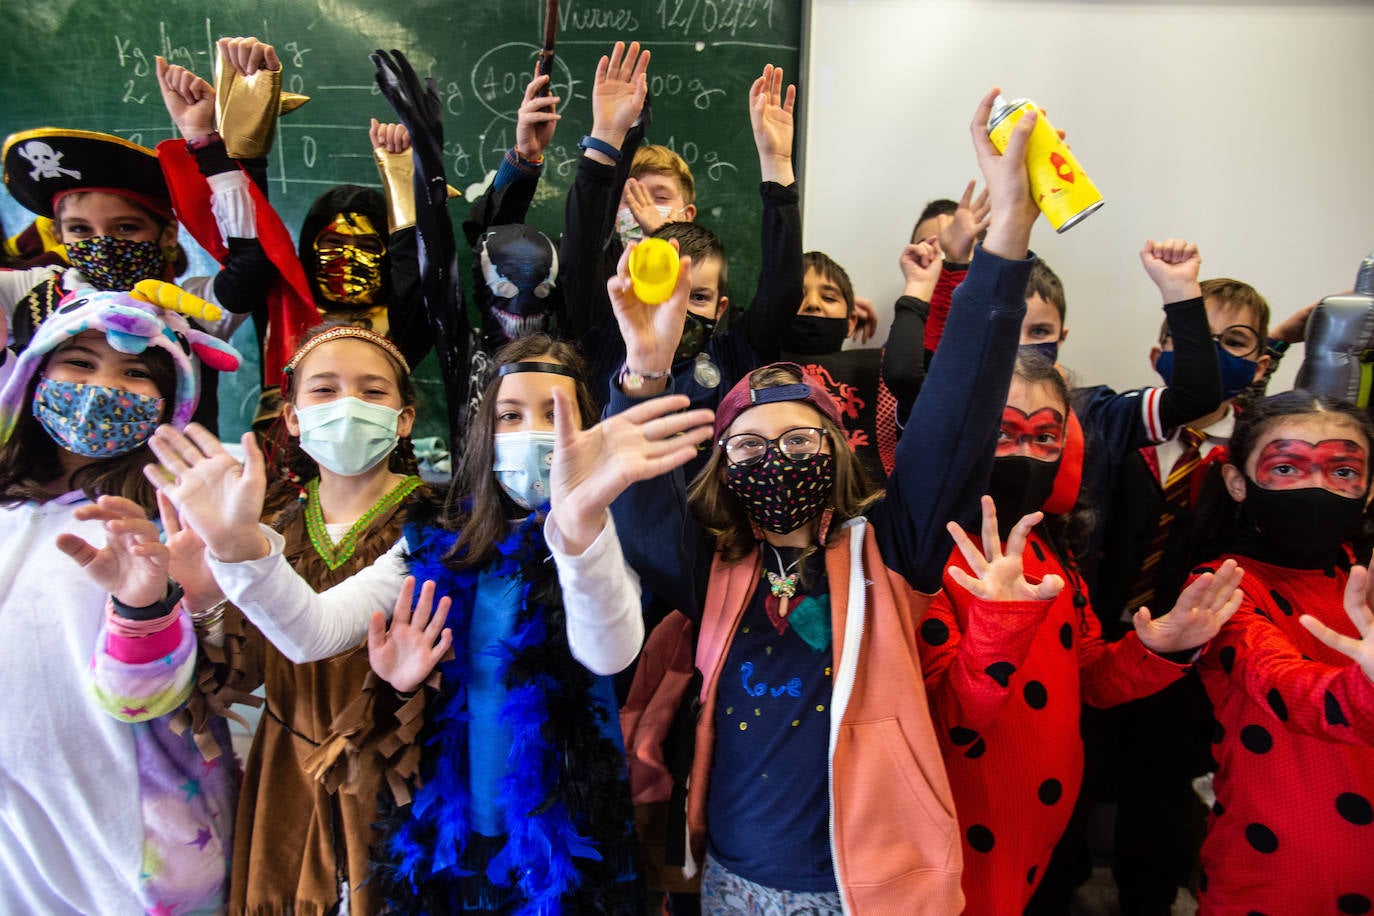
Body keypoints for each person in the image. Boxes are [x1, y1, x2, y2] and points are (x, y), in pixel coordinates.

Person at [605, 87, 1042, 913]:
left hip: (864, 891)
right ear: (721, 467)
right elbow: (637, 506)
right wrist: (644, 369)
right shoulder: (714, 571)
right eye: (750, 446)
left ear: (840, 453)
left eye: (801, 442)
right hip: (730, 882)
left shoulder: (890, 550)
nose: (775, 459)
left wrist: (1008, 235)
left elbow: (958, 412)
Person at [141, 328, 715, 911]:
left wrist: (578, 526)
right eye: (511, 416)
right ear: (484, 435)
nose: (534, 435)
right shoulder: (436, 541)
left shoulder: (602, 541)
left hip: (564, 843)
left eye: (555, 414)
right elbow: (310, 631)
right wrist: (239, 550)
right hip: (449, 830)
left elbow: (607, 652)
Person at [919, 350, 1244, 912]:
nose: (1026, 454)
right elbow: (949, 720)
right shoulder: (927, 561)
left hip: (1044, 819)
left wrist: (1156, 647)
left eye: (1045, 438)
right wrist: (997, 626)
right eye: (1004, 432)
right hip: (966, 820)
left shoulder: (1054, 551)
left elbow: (1090, 677)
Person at [164, 323, 427, 913]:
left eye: (373, 391)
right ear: (292, 417)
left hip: (399, 779)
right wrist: (204, 600)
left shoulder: (439, 522)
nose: (349, 406)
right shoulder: (267, 524)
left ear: (405, 419)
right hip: (286, 775)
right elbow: (243, 674)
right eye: (325, 390)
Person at [0, 285, 241, 914]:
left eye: (135, 373)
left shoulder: (167, 523)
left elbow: (145, 697)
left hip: (133, 849)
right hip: (18, 847)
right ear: (34, 374)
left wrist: (144, 605)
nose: (103, 389)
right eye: (78, 363)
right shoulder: (9, 509)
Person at [1184, 390, 1374, 912]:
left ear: (1369, 487)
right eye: (1287, 467)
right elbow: (1285, 687)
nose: (1317, 486)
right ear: (1238, 483)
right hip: (1279, 868)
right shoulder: (1222, 588)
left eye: (1342, 471)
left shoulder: (1361, 576)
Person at [560, 45, 802, 418]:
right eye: (667, 291)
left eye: (698, 296)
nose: (678, 309)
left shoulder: (732, 354)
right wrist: (606, 137)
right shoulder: (607, 334)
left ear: (722, 307)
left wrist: (777, 164)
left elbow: (783, 288)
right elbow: (579, 250)